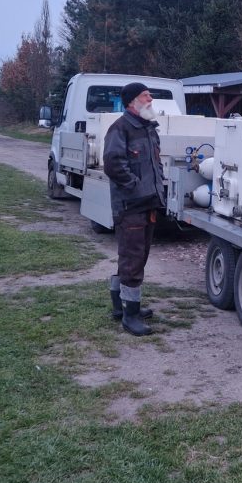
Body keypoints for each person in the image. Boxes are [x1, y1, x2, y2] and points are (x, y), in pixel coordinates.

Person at [102, 81, 165, 336]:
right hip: (131, 206)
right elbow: (113, 164)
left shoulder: (148, 127)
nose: (150, 98)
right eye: (145, 95)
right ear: (131, 101)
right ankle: (130, 316)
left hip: (147, 204)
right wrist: (137, 188)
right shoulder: (120, 128)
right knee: (132, 259)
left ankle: (122, 305)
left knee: (136, 256)